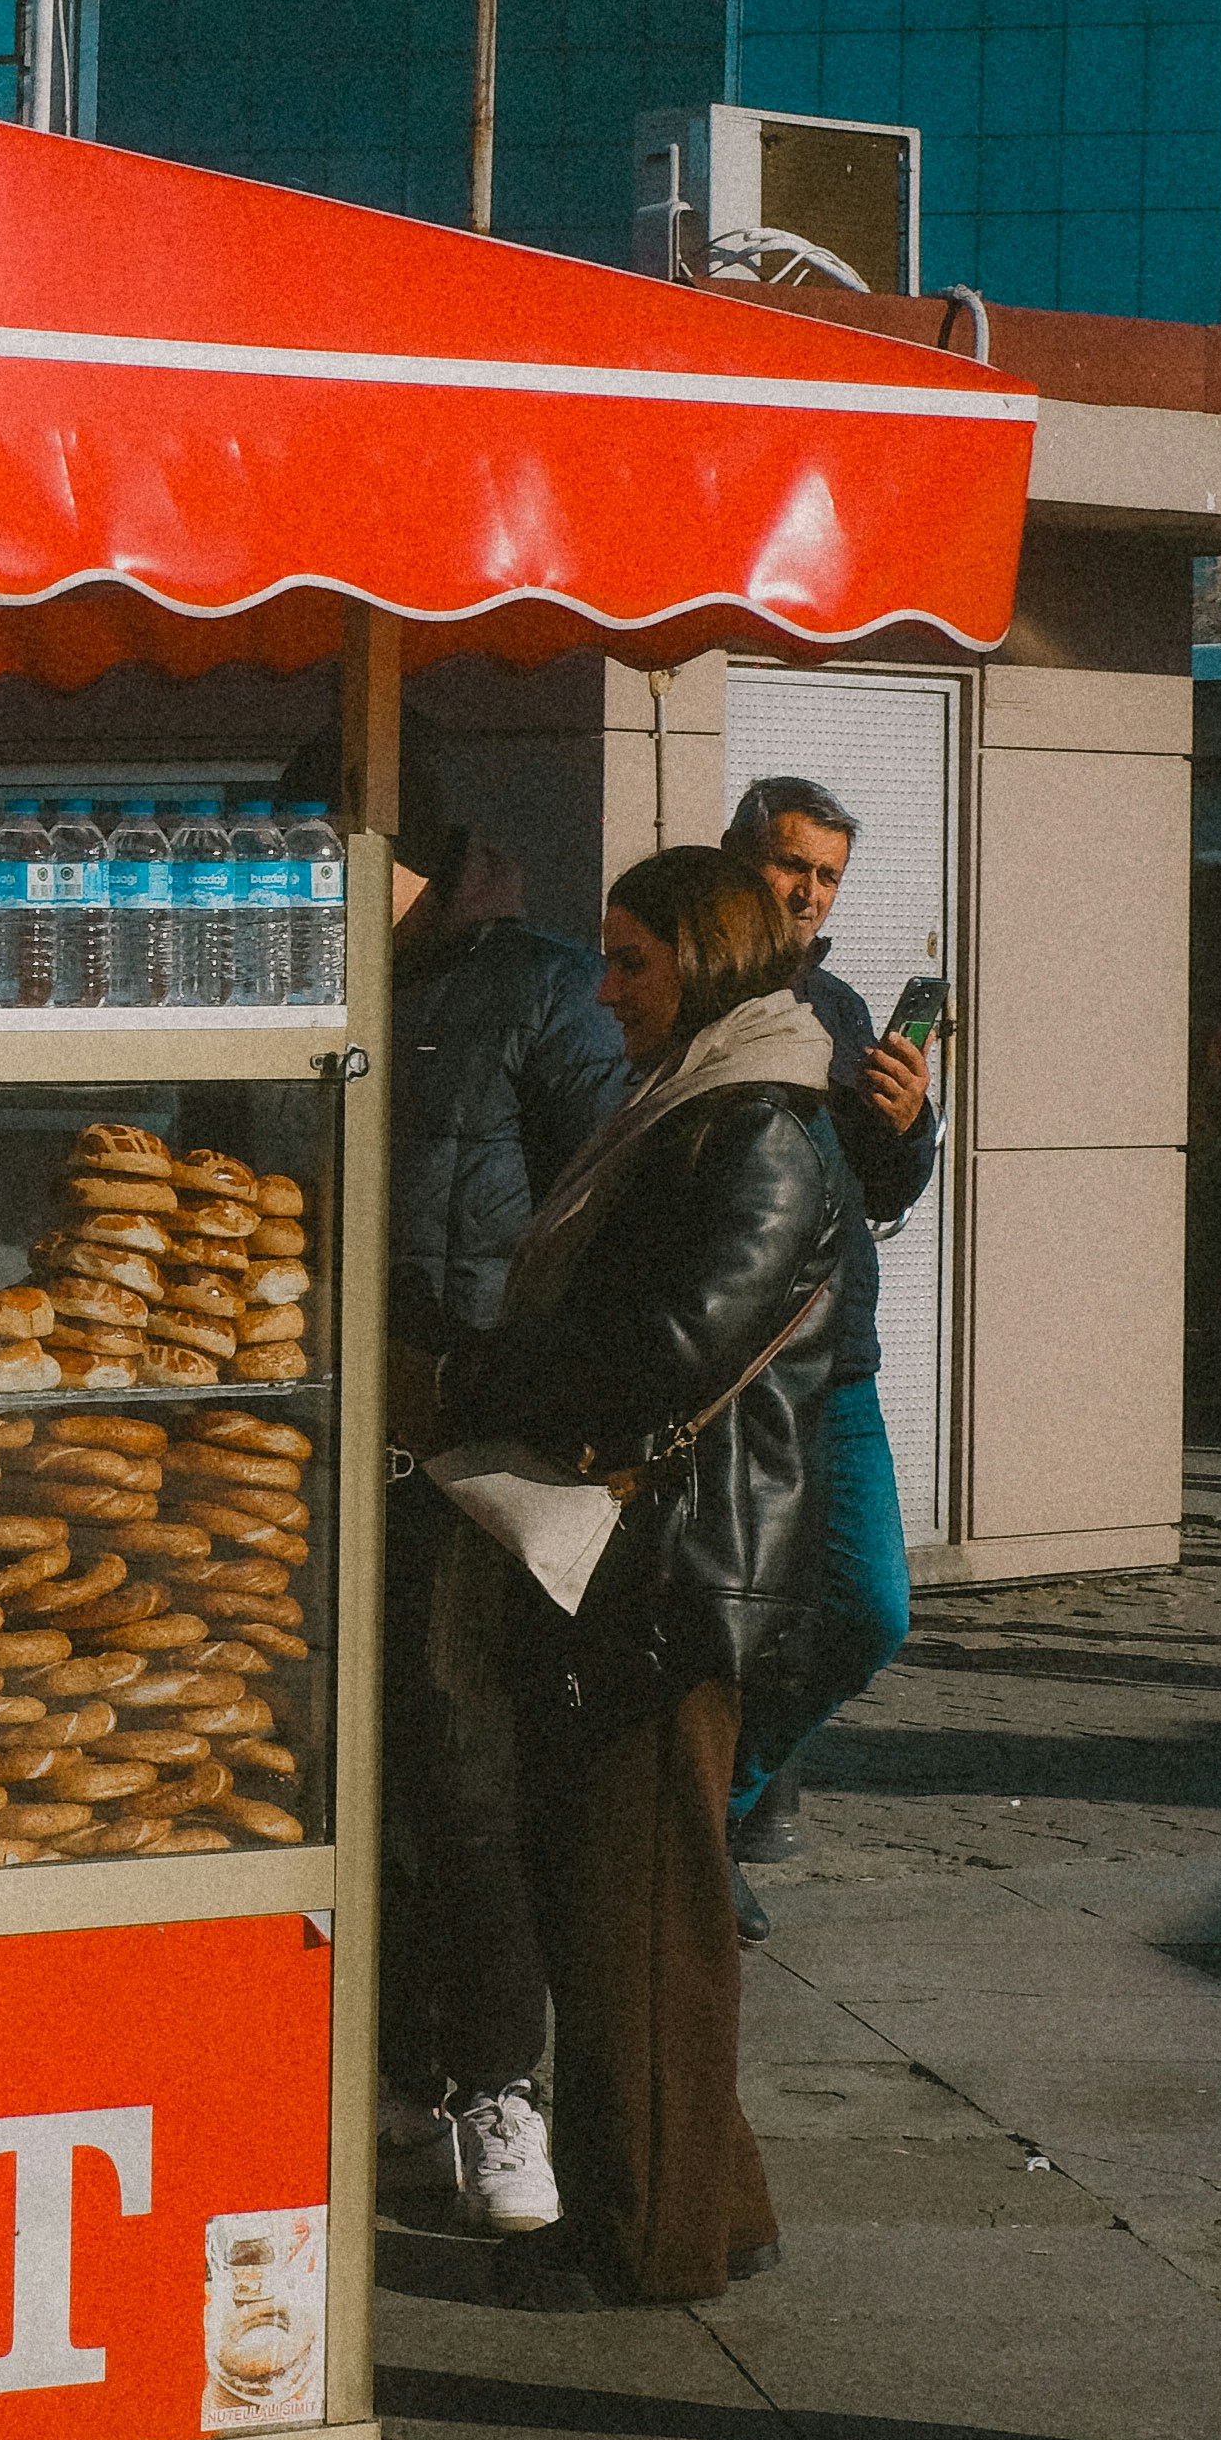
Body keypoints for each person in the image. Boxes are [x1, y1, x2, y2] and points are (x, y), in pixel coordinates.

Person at [434, 846, 846, 2307]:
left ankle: (646, 2243)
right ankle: (710, 2202)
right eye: (604, 960)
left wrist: (480, 1377)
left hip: (680, 1574)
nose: (604, 992)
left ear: (711, 963)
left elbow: (666, 1351)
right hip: (654, 1569)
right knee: (632, 1908)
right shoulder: (690, 1108)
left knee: (645, 1920)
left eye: (632, 963)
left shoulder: (756, 1133)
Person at [377, 824, 626, 2233]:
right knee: (356, 1765)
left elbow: (593, 1215)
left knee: (465, 1764)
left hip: (470, 1441)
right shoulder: (303, 972)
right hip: (321, 1424)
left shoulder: (539, 989)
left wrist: (502, 1379)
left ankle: (495, 2084)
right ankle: (400, 2061)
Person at [719, 773, 941, 1916]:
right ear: (740, 859)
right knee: (722, 1612)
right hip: (723, 1361)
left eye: (825, 877)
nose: (807, 893)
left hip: (834, 1357)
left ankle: (725, 1805)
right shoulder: (693, 987)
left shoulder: (847, 1007)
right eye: (790, 865)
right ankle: (692, 1831)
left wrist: (911, 1126)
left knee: (870, 1605)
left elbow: (881, 1180)